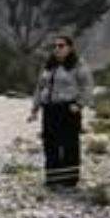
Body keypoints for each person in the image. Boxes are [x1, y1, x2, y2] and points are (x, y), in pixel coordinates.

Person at [30, 34, 93, 189]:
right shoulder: (48, 66)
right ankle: (52, 178)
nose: (57, 49)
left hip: (68, 109)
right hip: (50, 109)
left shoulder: (78, 65)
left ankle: (69, 180)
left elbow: (88, 87)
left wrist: (79, 105)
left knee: (69, 144)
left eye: (61, 46)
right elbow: (40, 87)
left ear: (69, 48)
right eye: (55, 46)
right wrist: (35, 109)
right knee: (50, 143)